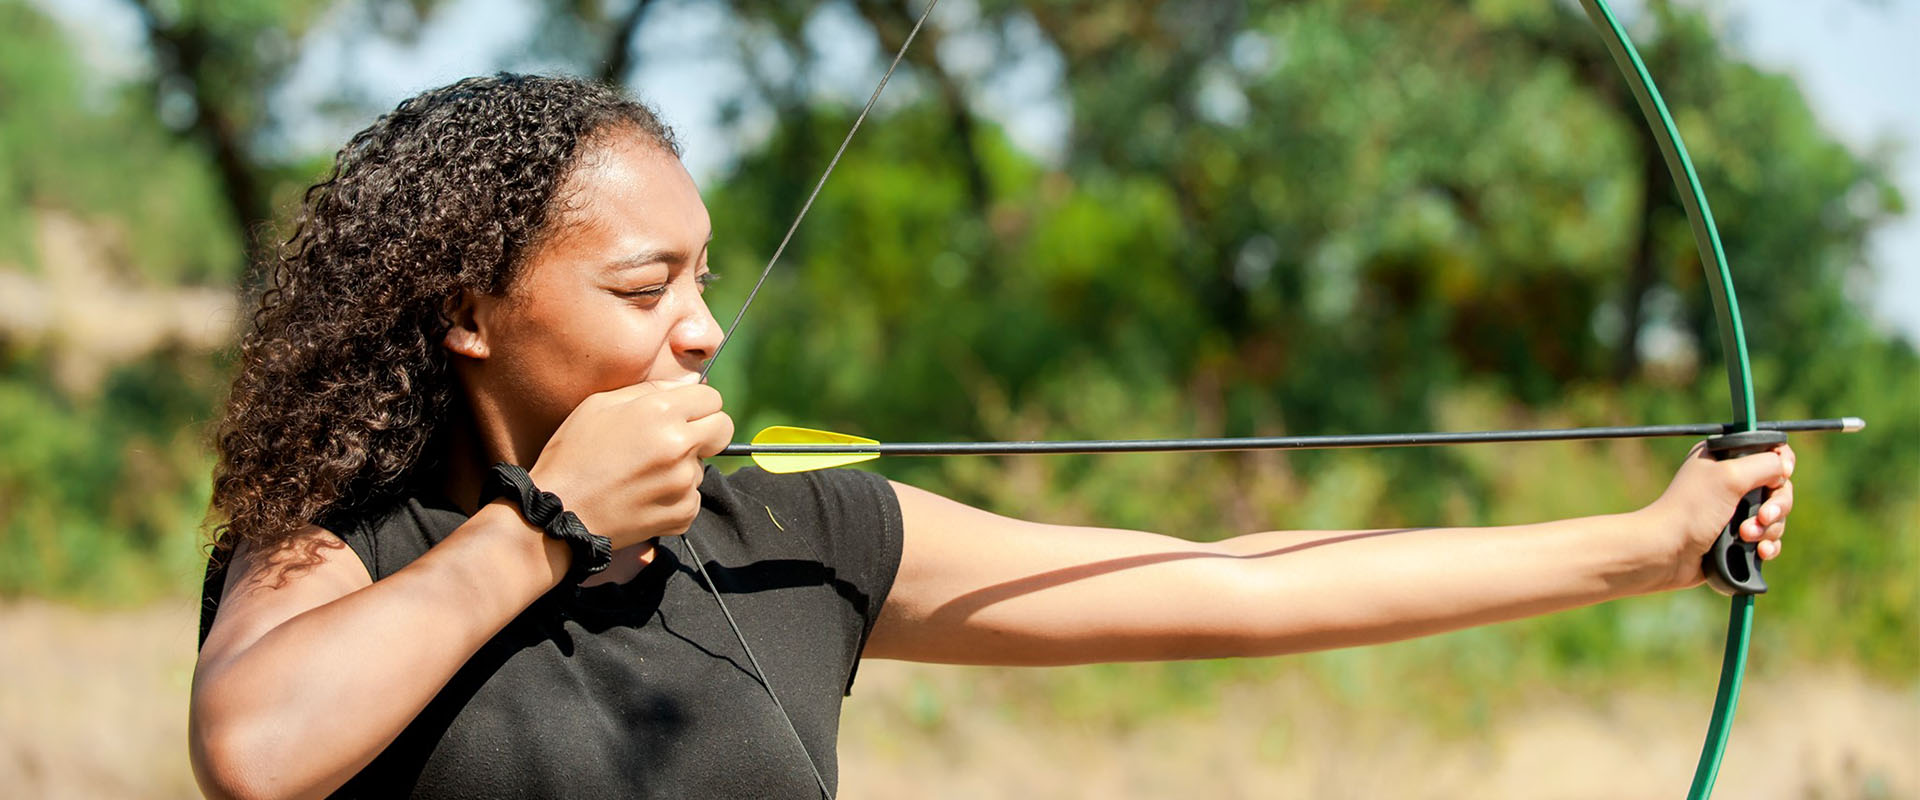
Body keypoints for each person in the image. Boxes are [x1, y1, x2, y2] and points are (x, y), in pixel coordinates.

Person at [188, 74, 1796, 800]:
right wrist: (542, 529)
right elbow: (256, 753)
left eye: (706, 276)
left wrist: (1645, 548)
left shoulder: (792, 542)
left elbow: (1235, 586)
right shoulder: (336, 542)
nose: (704, 329)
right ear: (468, 308)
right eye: (641, 285)